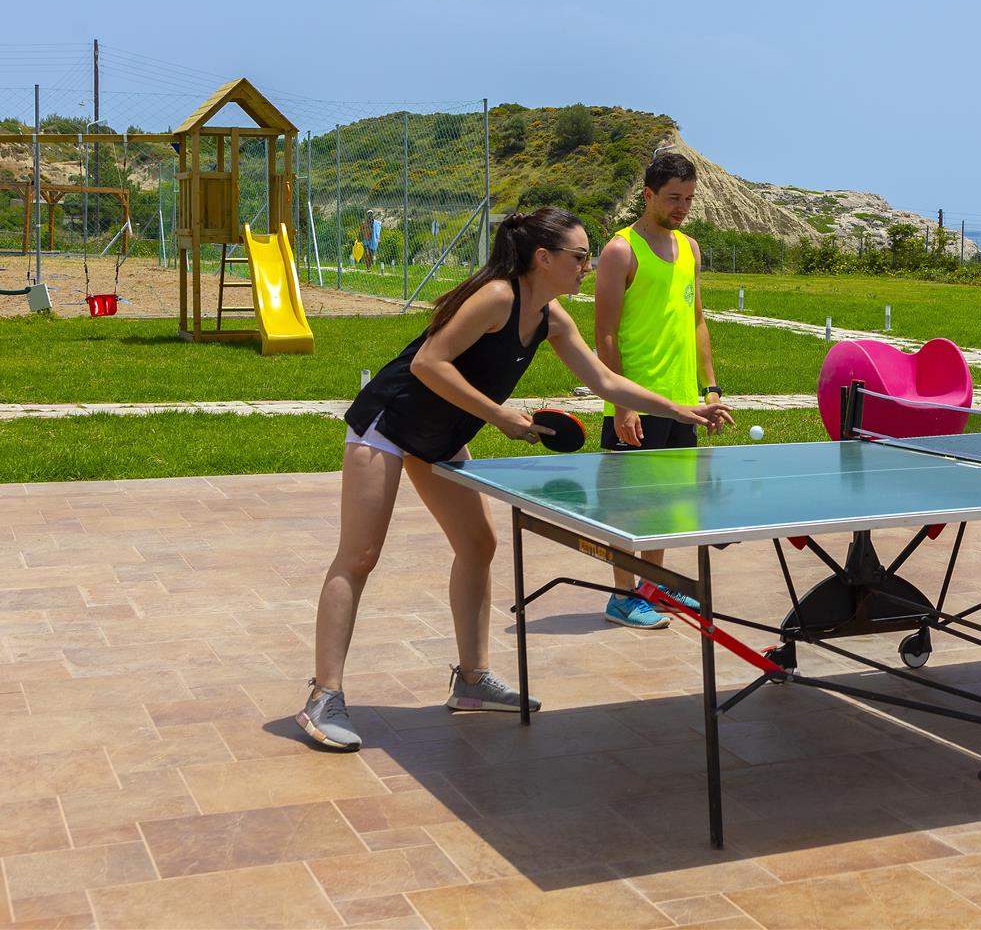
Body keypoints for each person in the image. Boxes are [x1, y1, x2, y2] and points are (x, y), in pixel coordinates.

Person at [296, 206, 733, 751]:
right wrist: (499, 415)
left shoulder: (551, 317)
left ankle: (472, 681)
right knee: (360, 555)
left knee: (478, 545)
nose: (588, 266)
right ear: (543, 258)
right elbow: (429, 363)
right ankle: (324, 695)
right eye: (580, 256)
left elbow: (603, 380)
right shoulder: (498, 297)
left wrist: (681, 408)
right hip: (388, 421)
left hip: (442, 432)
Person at [591, 150, 721, 629]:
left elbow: (698, 320)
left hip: (682, 401)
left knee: (664, 503)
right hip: (636, 401)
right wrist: (621, 404)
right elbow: (605, 334)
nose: (682, 207)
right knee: (630, 507)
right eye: (673, 198)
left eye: (688, 199)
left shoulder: (690, 249)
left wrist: (710, 387)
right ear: (647, 195)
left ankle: (651, 585)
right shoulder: (620, 250)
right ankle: (622, 596)